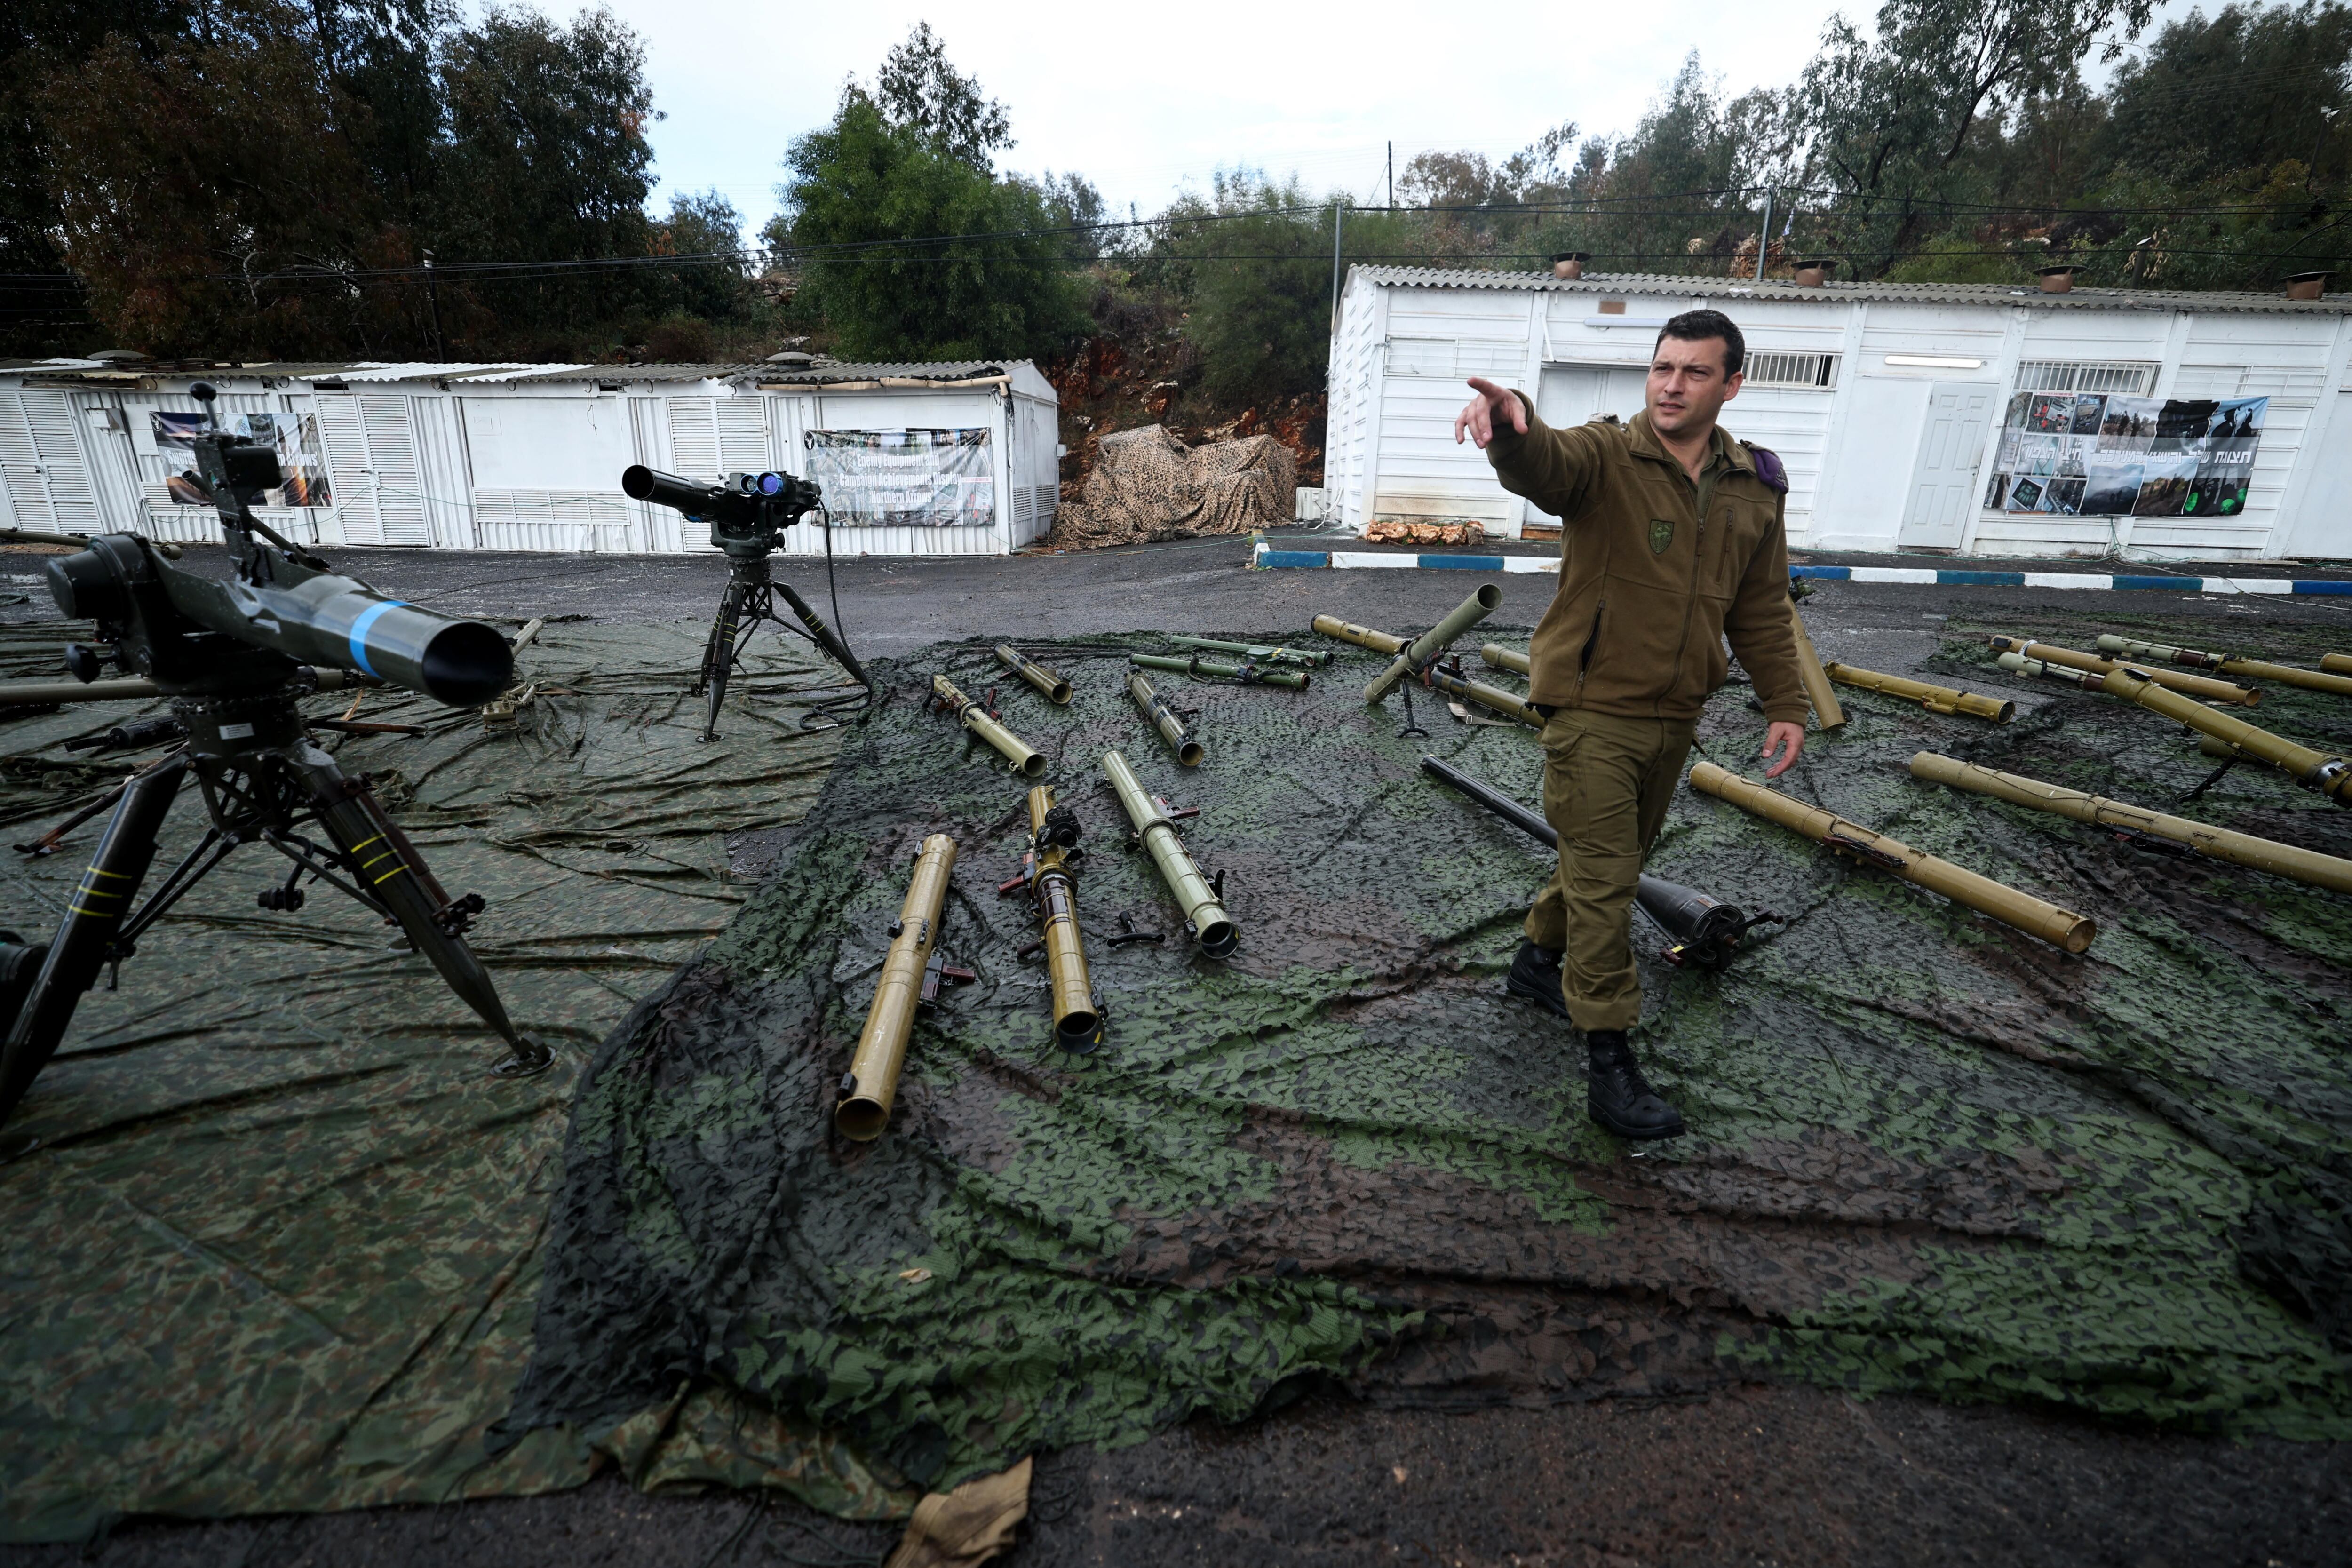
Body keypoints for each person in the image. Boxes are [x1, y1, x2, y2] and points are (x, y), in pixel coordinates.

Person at [1453, 308, 1807, 1140]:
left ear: (1730, 383)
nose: (1672, 384)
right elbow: (1547, 463)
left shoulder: (1756, 485)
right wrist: (1513, 429)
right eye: (1661, 368)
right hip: (1590, 712)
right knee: (1610, 885)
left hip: (1675, 715)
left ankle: (1539, 960)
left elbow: (1760, 605)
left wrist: (1786, 701)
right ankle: (1610, 1065)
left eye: (1692, 371)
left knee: (1606, 862)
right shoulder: (1610, 456)